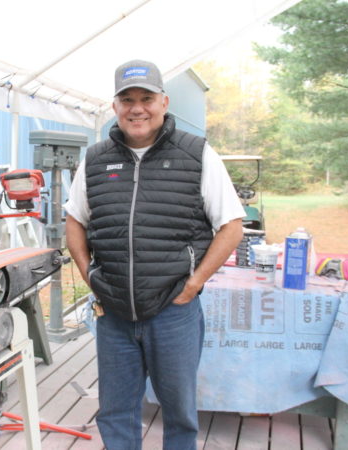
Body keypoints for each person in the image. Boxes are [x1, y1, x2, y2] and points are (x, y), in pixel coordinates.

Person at [64, 59, 245, 450]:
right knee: (115, 410)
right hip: (113, 312)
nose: (137, 108)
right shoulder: (95, 160)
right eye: (127, 99)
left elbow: (231, 226)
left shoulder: (197, 154)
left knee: (178, 411)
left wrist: (193, 285)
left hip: (173, 311)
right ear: (115, 107)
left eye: (146, 98)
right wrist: (88, 274)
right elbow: (74, 220)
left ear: (164, 102)